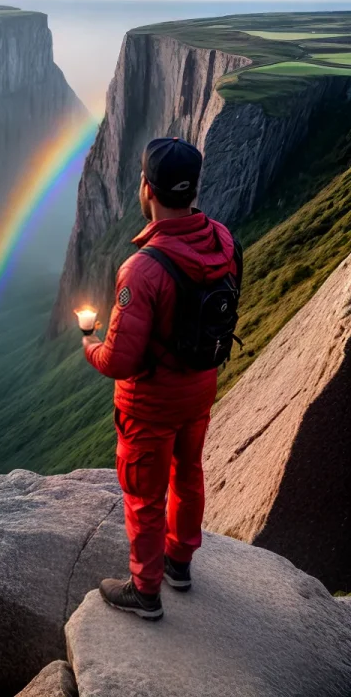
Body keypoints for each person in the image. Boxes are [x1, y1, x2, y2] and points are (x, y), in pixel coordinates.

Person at [82, 137, 240, 621]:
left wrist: (89, 343)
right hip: (200, 388)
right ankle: (179, 563)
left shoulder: (142, 270)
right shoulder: (224, 241)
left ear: (147, 189)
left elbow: (120, 361)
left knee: (144, 497)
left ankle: (145, 590)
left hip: (149, 407)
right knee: (188, 473)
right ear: (192, 188)